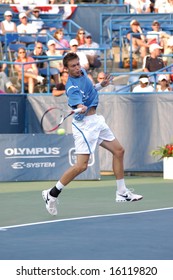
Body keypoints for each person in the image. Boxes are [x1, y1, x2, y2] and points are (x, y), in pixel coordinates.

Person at [42, 52, 143, 216]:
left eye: (77, 64)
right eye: (73, 66)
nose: (77, 68)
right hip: (85, 126)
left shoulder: (83, 74)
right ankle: (52, 193)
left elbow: (89, 90)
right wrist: (80, 106)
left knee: (119, 151)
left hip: (96, 121)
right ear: (66, 69)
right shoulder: (71, 87)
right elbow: (77, 99)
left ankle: (122, 192)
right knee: (81, 166)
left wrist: (100, 85)